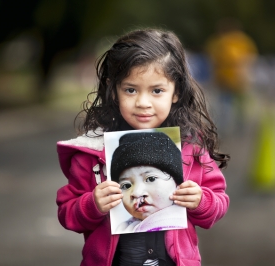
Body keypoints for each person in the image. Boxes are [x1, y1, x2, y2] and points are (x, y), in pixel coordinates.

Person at [56, 28, 230, 266]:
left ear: (176, 91)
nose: (143, 103)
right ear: (113, 90)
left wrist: (202, 200)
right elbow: (67, 214)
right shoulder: (93, 153)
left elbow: (218, 203)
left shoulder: (191, 148)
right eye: (130, 90)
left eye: (157, 91)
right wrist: (92, 204)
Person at [110, 132, 187, 234]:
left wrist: (200, 204)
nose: (136, 193)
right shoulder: (123, 228)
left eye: (150, 179)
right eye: (126, 185)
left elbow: (210, 214)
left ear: (176, 183)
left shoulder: (185, 213)